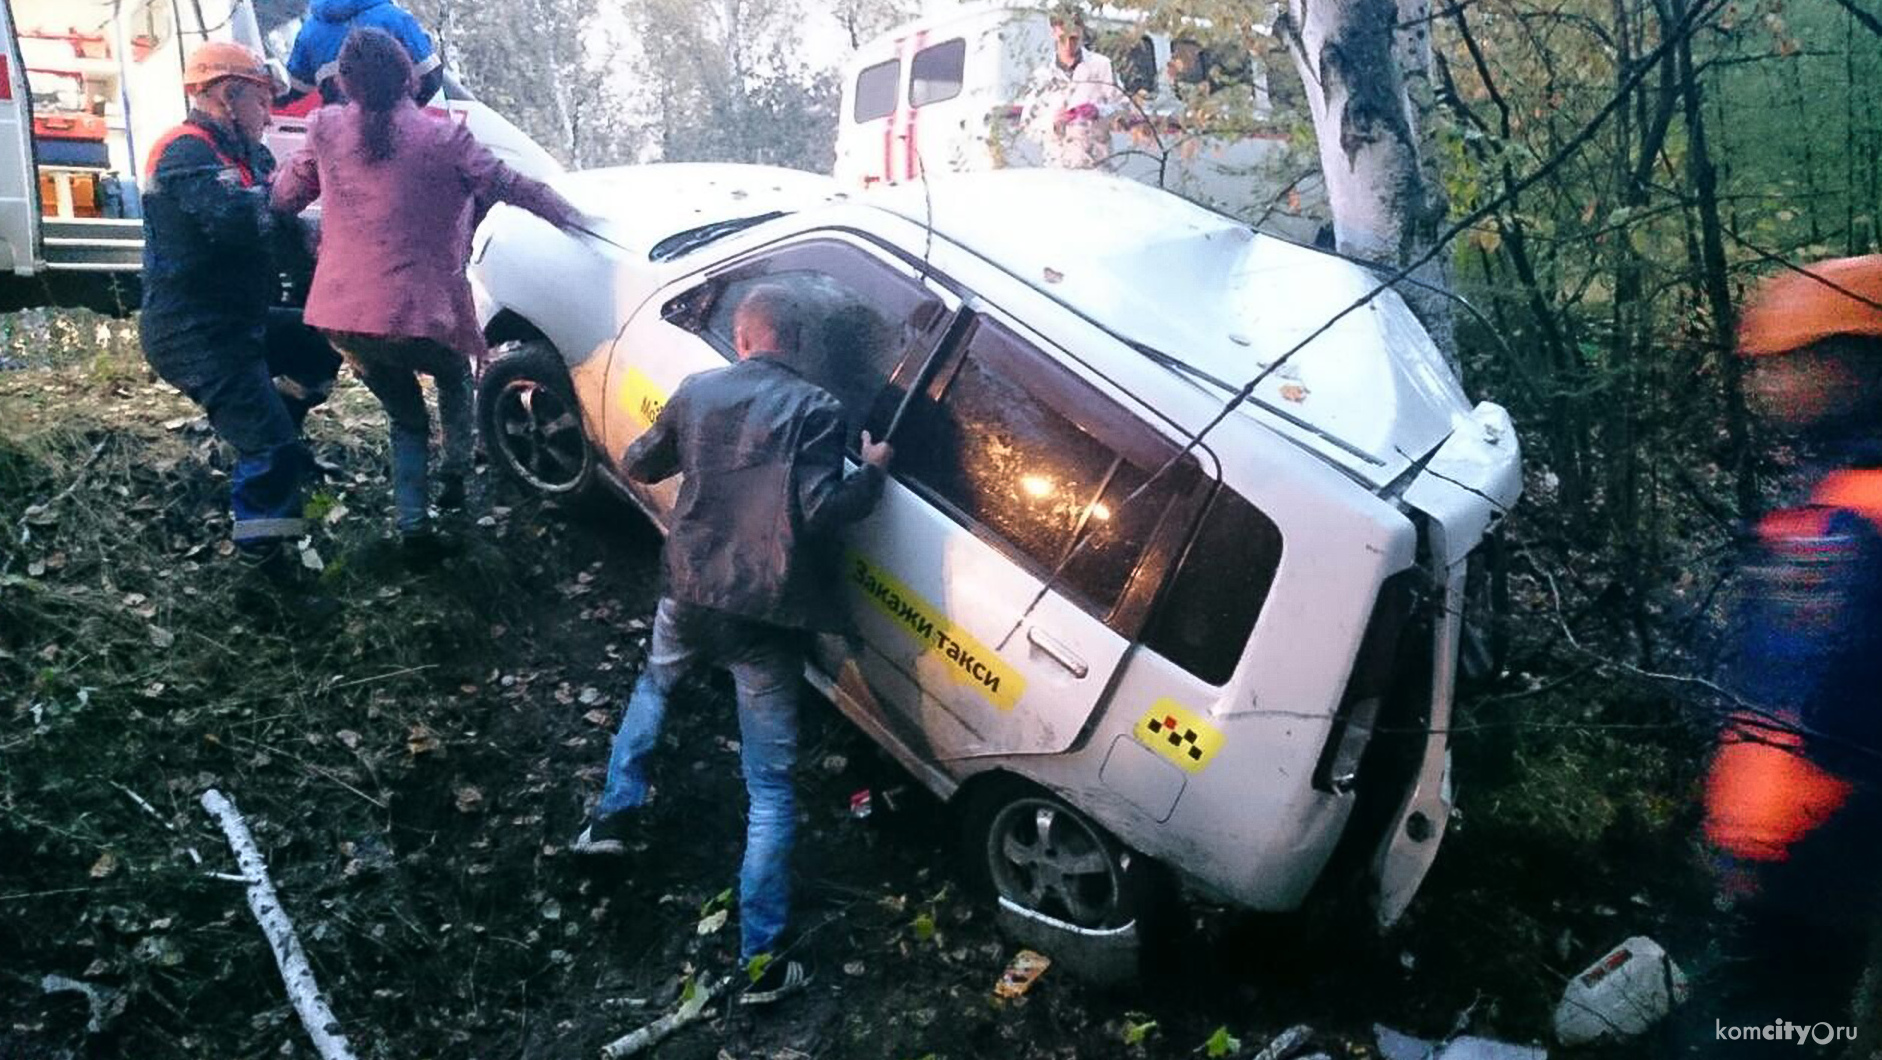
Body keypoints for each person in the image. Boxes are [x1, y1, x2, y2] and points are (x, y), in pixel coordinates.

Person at [570, 285, 895, 1006]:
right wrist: (872, 469)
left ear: (745, 337)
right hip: (764, 617)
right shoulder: (818, 410)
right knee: (770, 787)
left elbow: (637, 463)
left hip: (687, 592)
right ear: (796, 344)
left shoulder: (698, 390)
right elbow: (822, 512)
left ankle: (612, 817)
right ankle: (760, 961)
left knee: (656, 686)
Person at [272, 27, 582, 551]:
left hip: (342, 316)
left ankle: (413, 524)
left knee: (404, 415)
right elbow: (513, 186)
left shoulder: (324, 129)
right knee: (455, 380)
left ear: (344, 82)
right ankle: (457, 479)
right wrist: (577, 219)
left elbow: (282, 199)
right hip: (417, 312)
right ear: (411, 77)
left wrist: (307, 241)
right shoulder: (446, 137)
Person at [1699, 255, 1882, 1052]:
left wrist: (1768, 848)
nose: (1767, 387)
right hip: (1802, 862)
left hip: (1813, 866)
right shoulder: (1838, 491)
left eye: (1786, 365)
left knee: (1761, 1034)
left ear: (1849, 362)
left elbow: (1841, 706)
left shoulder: (1856, 518)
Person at [139, 41, 334, 588]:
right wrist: (286, 209)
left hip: (239, 320)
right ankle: (264, 573)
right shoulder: (183, 151)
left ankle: (281, 437)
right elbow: (234, 221)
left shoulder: (251, 155)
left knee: (317, 340)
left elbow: (285, 225)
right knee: (268, 446)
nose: (270, 115)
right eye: (264, 102)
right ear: (229, 94)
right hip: (195, 333)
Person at [1019, 7, 1128, 170]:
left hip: (1096, 165)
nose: (1069, 44)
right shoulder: (1043, 77)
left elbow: (1124, 107)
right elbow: (1028, 124)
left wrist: (1099, 111)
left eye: (1074, 38)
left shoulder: (1101, 65)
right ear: (1054, 33)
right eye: (1063, 38)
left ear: (1082, 33)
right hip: (1058, 167)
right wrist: (1053, 123)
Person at [286, 0, 442, 106]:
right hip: (394, 138)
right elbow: (431, 77)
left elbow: (292, 88)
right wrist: (405, 110)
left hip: (343, 138)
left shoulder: (310, 31)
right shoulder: (395, 19)